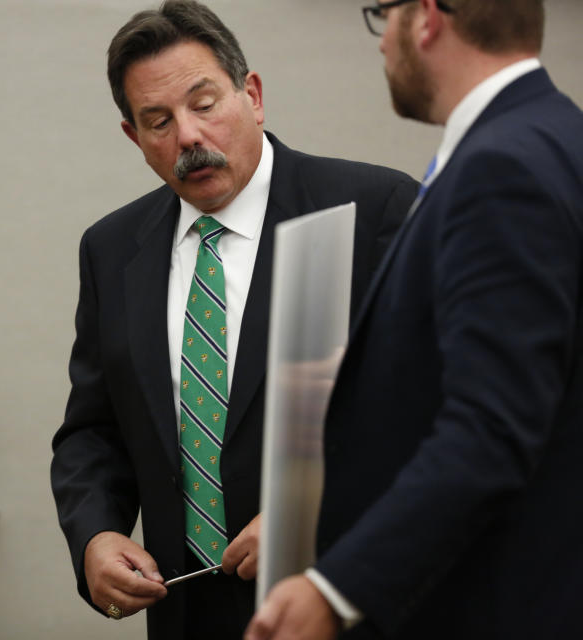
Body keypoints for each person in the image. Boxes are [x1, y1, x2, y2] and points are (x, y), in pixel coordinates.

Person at [49, 1, 418, 638]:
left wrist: (315, 518)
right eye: (158, 121)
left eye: (205, 103)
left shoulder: (372, 210)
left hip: (345, 601)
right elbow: (93, 430)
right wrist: (95, 536)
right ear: (135, 138)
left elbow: (428, 411)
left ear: (252, 95)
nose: (188, 136)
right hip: (187, 613)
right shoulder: (111, 250)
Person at [246, 1, 583, 638]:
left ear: (427, 17)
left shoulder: (499, 168)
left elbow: (490, 430)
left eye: (382, 15)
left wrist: (335, 587)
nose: (380, 45)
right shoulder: (558, 137)